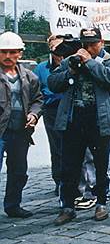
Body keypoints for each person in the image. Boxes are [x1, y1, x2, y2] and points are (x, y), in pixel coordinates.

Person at [48, 27, 110, 224]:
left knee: (101, 164)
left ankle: (101, 203)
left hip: (99, 119)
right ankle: (67, 206)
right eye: (85, 44)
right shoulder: (71, 60)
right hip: (74, 119)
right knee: (69, 165)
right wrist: (71, 69)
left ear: (102, 42)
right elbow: (53, 83)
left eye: (93, 43)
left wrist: (88, 62)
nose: (89, 48)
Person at [0, 32, 43, 217]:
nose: (8, 56)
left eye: (12, 52)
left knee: (18, 170)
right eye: (3, 52)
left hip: (20, 131)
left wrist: (34, 114)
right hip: (1, 130)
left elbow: (38, 99)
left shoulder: (29, 76)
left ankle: (13, 205)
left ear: (20, 53)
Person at [35, 36, 66, 194]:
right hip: (52, 111)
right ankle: (59, 181)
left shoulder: (72, 64)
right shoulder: (41, 68)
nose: (59, 52)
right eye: (55, 48)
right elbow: (37, 92)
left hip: (70, 108)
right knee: (56, 148)